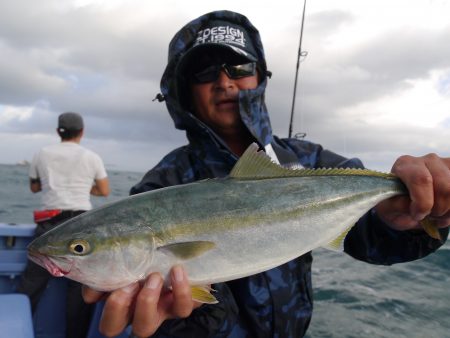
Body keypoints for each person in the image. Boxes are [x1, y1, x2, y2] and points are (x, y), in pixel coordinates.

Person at [83, 10, 450, 338]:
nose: (225, 82)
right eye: (204, 72)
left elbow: (370, 233)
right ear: (184, 92)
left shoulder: (309, 161)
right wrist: (178, 322)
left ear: (260, 77)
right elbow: (150, 281)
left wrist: (409, 219)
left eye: (239, 68)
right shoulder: (162, 183)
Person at [19, 111, 110, 338]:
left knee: (31, 287)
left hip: (48, 226)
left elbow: (34, 187)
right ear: (82, 132)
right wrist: (82, 186)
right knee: (79, 294)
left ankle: (18, 331)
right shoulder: (91, 156)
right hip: (82, 228)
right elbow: (104, 190)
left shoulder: (41, 153)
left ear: (58, 132)